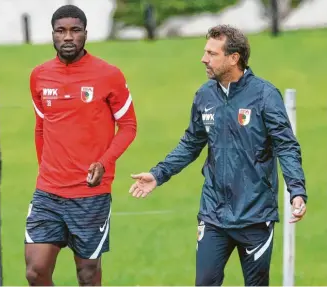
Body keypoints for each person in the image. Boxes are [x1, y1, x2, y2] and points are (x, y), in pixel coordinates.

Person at [129, 25, 307, 286]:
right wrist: (158, 174)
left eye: (212, 53)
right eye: (205, 52)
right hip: (214, 214)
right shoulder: (204, 96)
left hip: (255, 215)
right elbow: (191, 143)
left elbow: (286, 145)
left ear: (234, 58)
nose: (204, 59)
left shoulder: (265, 95)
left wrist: (297, 189)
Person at [25, 4, 137, 286]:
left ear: (85, 33)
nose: (67, 37)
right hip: (48, 192)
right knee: (35, 271)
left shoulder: (108, 75)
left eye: (75, 30)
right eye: (61, 31)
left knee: (87, 274)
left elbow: (128, 127)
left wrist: (104, 162)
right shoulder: (39, 76)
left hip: (90, 193)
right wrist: (47, 171)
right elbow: (41, 128)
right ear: (52, 34)